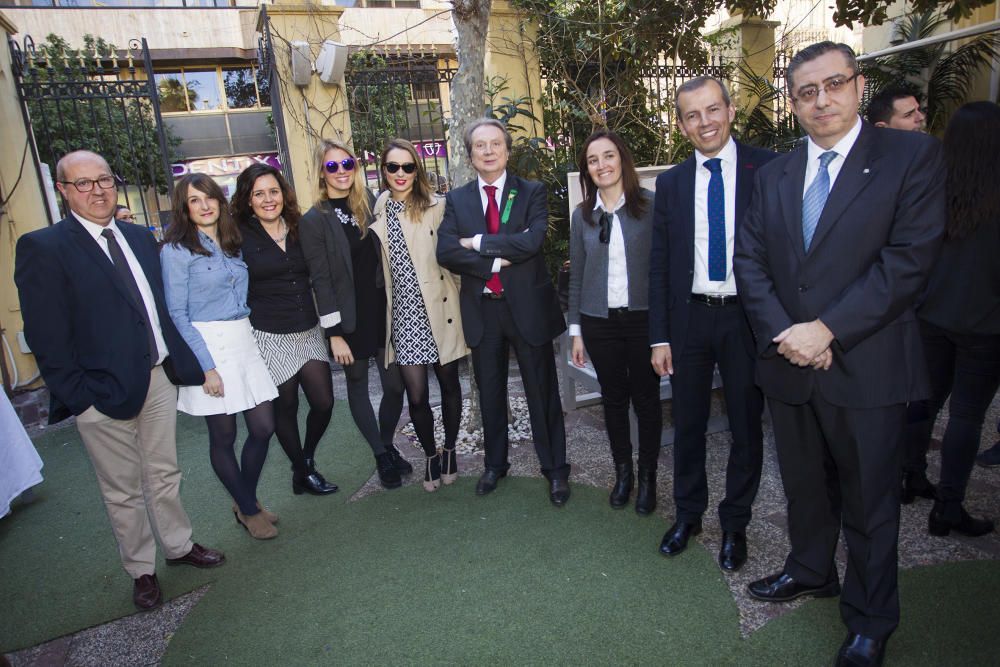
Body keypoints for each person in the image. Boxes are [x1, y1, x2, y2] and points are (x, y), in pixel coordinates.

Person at [733, 42, 944, 667]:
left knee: (870, 500)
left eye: (834, 85)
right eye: (806, 91)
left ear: (857, 86)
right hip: (787, 362)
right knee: (803, 487)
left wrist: (825, 330)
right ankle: (810, 568)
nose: (821, 100)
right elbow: (750, 263)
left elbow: (908, 262)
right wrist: (788, 334)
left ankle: (872, 619)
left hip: (866, 362)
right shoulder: (771, 175)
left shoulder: (910, 156)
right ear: (792, 102)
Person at [14, 150, 226, 612]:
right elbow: (47, 336)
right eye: (83, 183)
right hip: (99, 393)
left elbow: (160, 306)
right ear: (64, 191)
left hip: (156, 379)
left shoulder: (138, 237)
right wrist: (80, 399)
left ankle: (178, 545)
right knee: (122, 488)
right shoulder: (44, 248)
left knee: (164, 473)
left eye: (104, 180)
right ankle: (141, 570)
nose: (97, 190)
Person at [649, 76, 777, 572]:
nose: (705, 122)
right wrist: (659, 335)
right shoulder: (672, 182)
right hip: (690, 321)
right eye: (692, 115)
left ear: (730, 109)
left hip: (747, 320)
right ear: (682, 125)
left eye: (712, 110)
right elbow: (659, 265)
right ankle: (688, 515)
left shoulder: (768, 169)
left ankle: (735, 524)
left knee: (747, 425)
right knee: (688, 424)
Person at [437, 118, 570, 506]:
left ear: (507, 151)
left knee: (541, 393)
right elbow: (446, 251)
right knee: (491, 392)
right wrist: (494, 263)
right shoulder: (457, 200)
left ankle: (556, 470)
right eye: (481, 145)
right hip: (484, 311)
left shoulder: (532, 192)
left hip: (527, 309)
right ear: (471, 154)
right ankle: (495, 464)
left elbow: (531, 242)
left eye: (496, 144)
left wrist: (476, 242)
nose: (489, 151)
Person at [161, 173, 280, 540]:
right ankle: (248, 508)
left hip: (243, 338)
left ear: (220, 201)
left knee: (263, 427)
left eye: (209, 197)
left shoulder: (232, 242)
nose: (204, 205)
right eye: (194, 200)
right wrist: (206, 368)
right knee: (223, 435)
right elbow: (177, 313)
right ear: (184, 207)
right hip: (208, 344)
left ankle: (244, 498)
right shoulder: (176, 250)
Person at [903, 101, 1000, 537]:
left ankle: (910, 477)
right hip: (986, 323)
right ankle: (948, 507)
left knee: (924, 400)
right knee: (967, 415)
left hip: (932, 315)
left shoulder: (933, 184)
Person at [300, 139, 411, 489]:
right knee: (359, 385)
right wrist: (333, 334)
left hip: (383, 308)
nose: (342, 172)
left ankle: (387, 443)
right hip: (348, 320)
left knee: (395, 385)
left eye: (347, 164)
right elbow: (320, 279)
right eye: (332, 166)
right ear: (322, 171)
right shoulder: (314, 219)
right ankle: (381, 456)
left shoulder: (370, 203)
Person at [568, 130, 662, 513]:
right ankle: (623, 472)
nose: (602, 165)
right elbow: (576, 276)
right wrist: (575, 330)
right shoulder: (583, 215)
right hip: (598, 322)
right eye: (593, 160)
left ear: (622, 160)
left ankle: (649, 478)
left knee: (647, 398)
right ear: (587, 170)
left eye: (608, 156)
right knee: (613, 399)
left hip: (644, 320)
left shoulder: (652, 206)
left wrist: (664, 333)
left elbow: (665, 270)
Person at [232, 163, 338, 496]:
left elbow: (319, 274)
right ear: (248, 200)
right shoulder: (237, 235)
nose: (268, 199)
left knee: (323, 402)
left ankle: (303, 460)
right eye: (258, 193)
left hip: (307, 328)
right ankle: (304, 471)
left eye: (273, 191)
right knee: (286, 407)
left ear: (283, 194)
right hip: (268, 333)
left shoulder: (298, 227)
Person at [370, 138, 467, 492]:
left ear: (417, 170)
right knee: (417, 397)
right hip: (405, 314)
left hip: (440, 307)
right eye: (393, 167)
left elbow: (454, 259)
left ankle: (452, 449)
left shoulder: (436, 206)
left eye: (407, 167)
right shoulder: (380, 205)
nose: (400, 174)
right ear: (383, 171)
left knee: (450, 385)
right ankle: (430, 455)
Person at [866, 88, 936, 504]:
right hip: (863, 326)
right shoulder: (868, 177)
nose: (919, 120)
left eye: (919, 113)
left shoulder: (927, 170)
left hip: (915, 315)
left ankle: (907, 474)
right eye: (908, 114)